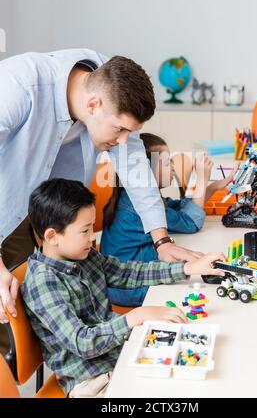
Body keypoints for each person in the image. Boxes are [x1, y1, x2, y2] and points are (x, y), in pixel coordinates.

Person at [0, 49, 205, 353]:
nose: (124, 141)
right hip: (7, 208)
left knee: (18, 310)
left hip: (42, 216)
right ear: (93, 105)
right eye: (120, 129)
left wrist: (162, 242)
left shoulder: (109, 86)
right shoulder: (19, 85)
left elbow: (137, 172)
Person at [21, 179, 225, 398]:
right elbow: (82, 342)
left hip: (118, 353)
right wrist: (134, 317)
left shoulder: (83, 255)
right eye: (85, 230)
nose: (93, 236)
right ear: (52, 236)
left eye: (92, 226)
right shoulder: (43, 282)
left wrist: (188, 267)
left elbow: (129, 273)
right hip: (91, 380)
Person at [101, 133, 236, 306]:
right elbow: (191, 222)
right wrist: (201, 181)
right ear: (146, 172)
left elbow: (181, 208)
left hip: (129, 275)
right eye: (167, 163)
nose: (173, 167)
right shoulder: (141, 205)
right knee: (194, 291)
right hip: (127, 287)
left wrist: (214, 186)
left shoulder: (139, 196)